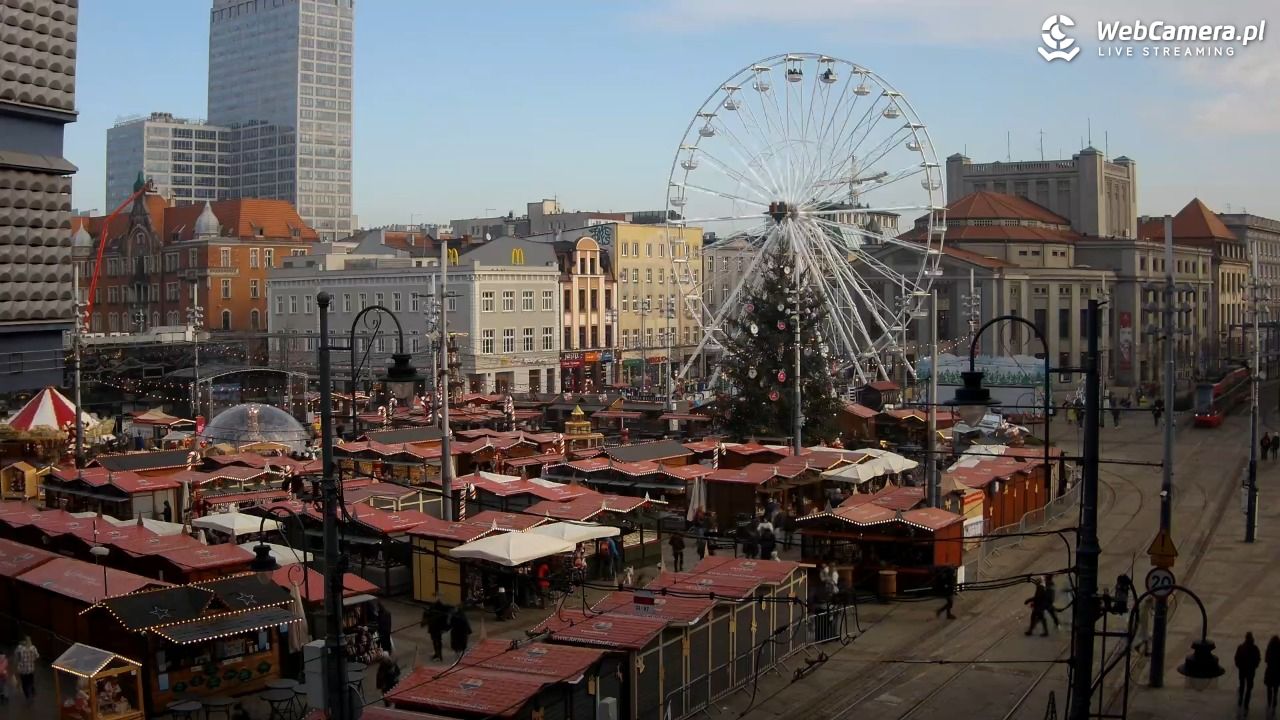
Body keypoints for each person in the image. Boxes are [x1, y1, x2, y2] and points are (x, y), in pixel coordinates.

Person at [1237, 632, 1262, 713]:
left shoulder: (1241, 647)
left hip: (1242, 670)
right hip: (1250, 671)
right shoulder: (1255, 648)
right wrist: (1255, 666)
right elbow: (1258, 658)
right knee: (1249, 687)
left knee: (1242, 685)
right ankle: (1246, 703)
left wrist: (1239, 666)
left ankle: (1240, 699)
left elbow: (1237, 658)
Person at [14, 636, 38, 701]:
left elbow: (16, 657)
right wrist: (32, 659)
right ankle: (32, 691)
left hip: (22, 669)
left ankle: (27, 695)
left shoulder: (19, 648)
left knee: (24, 683)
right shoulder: (33, 648)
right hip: (31, 668)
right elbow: (37, 656)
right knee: (31, 681)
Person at [1264, 635, 1280, 714]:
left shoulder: (1269, 649)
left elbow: (1266, 659)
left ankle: (1269, 702)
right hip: (1277, 672)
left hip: (1270, 671)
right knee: (1276, 689)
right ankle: (1274, 702)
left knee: (1269, 688)